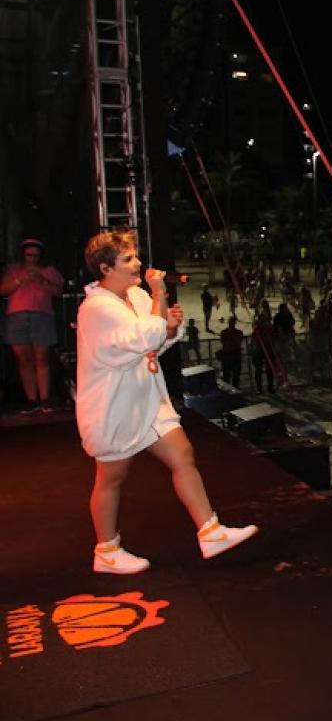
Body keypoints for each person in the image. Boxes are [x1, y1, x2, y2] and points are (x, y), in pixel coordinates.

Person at [76, 230, 257, 574]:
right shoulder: (97, 309)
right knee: (111, 478)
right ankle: (106, 549)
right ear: (104, 268)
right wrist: (159, 296)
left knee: (182, 454)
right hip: (114, 407)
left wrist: (170, 329)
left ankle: (210, 530)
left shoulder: (135, 296)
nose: (138, 264)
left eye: (135, 256)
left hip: (147, 398)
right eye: (128, 259)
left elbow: (155, 342)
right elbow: (146, 335)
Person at [2, 238, 65, 412]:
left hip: (41, 315)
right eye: (29, 256)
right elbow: (3, 290)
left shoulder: (48, 271)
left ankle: (44, 399)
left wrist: (42, 280)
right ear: (23, 255)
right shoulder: (14, 270)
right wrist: (20, 280)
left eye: (36, 256)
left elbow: (59, 292)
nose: (32, 259)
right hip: (16, 317)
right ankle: (31, 399)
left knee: (41, 358)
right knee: (24, 360)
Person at [218, 315, 245, 388]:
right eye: (230, 322)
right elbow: (224, 342)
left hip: (235, 354)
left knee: (235, 375)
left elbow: (238, 342)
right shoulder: (224, 332)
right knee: (227, 375)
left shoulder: (238, 332)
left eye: (232, 322)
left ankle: (234, 389)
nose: (231, 324)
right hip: (228, 354)